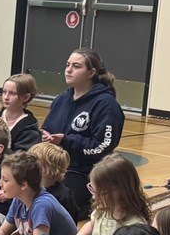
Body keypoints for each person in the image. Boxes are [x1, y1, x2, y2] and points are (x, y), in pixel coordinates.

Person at [42, 48, 124, 219]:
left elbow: (102, 146)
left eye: (76, 66)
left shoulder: (106, 104)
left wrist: (66, 141)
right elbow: (47, 128)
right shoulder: (61, 99)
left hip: (83, 172)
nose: (68, 70)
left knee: (56, 203)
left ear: (91, 73)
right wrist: (45, 137)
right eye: (67, 65)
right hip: (52, 167)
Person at [64, 152, 149, 235]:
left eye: (101, 192)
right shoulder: (103, 211)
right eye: (92, 189)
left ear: (120, 191)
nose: (94, 197)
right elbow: (92, 225)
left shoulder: (134, 226)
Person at [0, 72, 42, 151]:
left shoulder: (29, 128)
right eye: (4, 92)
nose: (6, 97)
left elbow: (21, 157)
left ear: (26, 97)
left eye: (12, 93)